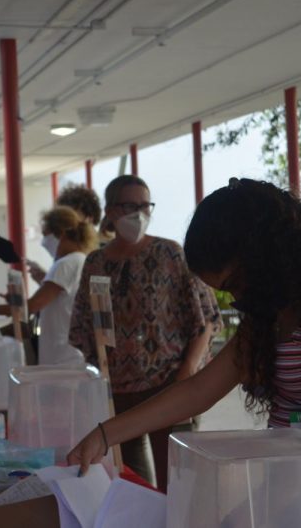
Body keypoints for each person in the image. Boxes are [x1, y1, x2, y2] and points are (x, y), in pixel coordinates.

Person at [69, 178, 301, 528]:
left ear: (265, 256)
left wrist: (237, 517)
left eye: (234, 284)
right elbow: (199, 390)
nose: (236, 300)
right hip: (293, 489)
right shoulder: (273, 311)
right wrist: (105, 433)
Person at [68, 175, 220, 491]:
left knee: (177, 484)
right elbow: (83, 327)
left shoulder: (170, 255)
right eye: (129, 206)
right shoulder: (96, 262)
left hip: (168, 387)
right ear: (109, 210)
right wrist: (97, 381)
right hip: (118, 393)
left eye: (144, 205)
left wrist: (187, 373)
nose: (138, 213)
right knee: (130, 484)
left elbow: (204, 320)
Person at [0, 206, 97, 364]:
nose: (43, 242)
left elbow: (30, 307)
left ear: (61, 234)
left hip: (63, 358)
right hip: (72, 355)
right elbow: (62, 301)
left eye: (45, 235)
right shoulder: (81, 260)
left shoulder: (65, 264)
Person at [29, 183, 103, 283]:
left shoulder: (102, 255)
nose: (66, 226)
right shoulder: (66, 256)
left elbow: (98, 294)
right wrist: (47, 282)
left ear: (88, 219)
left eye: (71, 217)